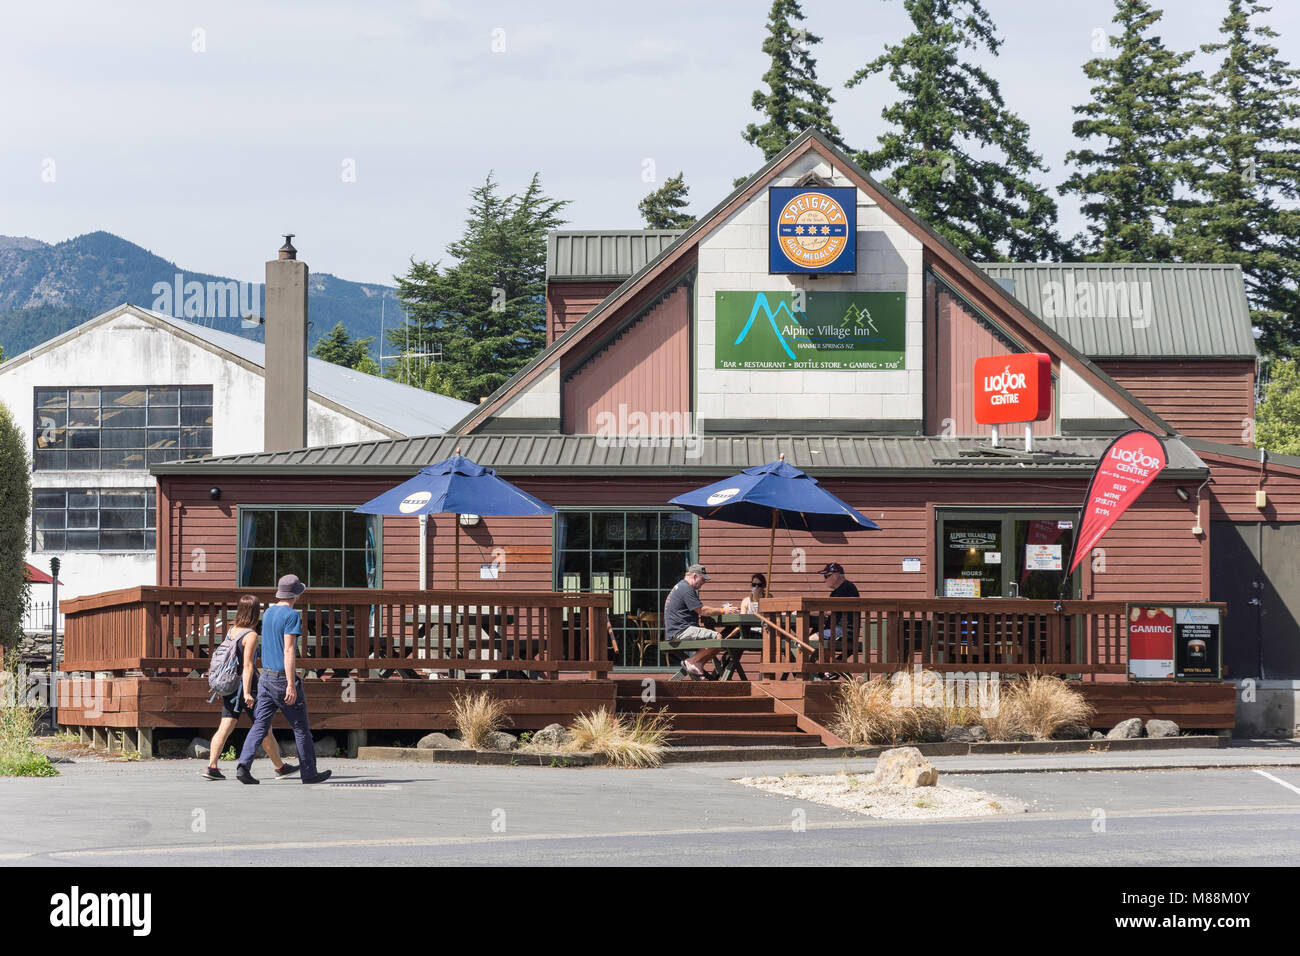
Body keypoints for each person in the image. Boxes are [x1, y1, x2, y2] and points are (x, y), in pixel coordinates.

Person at [235, 574, 332, 785]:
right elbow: (288, 651)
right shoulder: (291, 615)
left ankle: (243, 765)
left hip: (265, 678)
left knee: (260, 724)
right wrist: (290, 683)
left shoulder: (268, 613)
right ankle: (309, 773)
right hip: (281, 678)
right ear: (296, 594)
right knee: (300, 728)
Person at [202, 595, 297, 781]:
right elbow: (247, 666)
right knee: (264, 728)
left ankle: (211, 766)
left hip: (230, 685)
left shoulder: (232, 630)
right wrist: (247, 692)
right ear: (255, 612)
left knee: (225, 727)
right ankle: (280, 767)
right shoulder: (250, 635)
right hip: (248, 687)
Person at [663, 564, 736, 679]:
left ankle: (697, 664)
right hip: (681, 631)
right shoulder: (686, 588)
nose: (704, 583)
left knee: (714, 645)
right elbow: (701, 610)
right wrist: (723, 610)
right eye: (703, 579)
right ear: (694, 576)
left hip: (677, 631)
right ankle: (692, 662)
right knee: (718, 638)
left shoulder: (682, 587)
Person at [807, 562, 860, 678]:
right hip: (836, 630)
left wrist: (807, 611)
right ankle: (831, 671)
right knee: (813, 640)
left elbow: (828, 609)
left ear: (835, 575)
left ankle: (833, 671)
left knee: (811, 640)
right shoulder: (837, 591)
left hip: (845, 631)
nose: (824, 580)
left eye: (826, 576)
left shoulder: (847, 588)